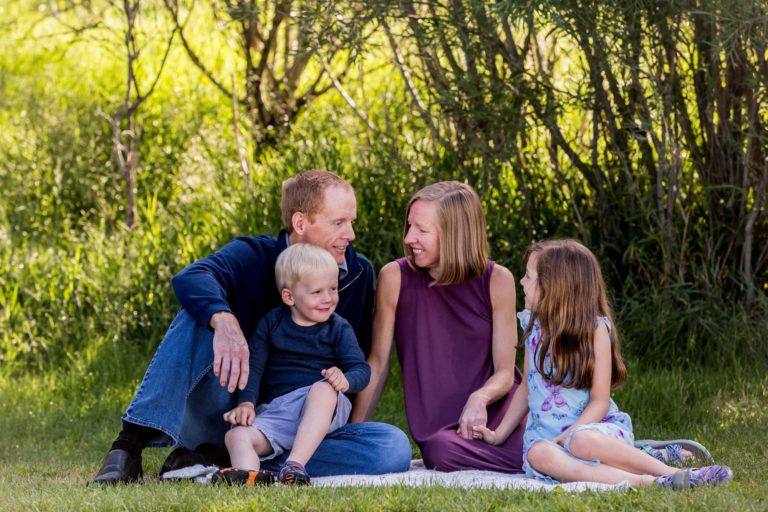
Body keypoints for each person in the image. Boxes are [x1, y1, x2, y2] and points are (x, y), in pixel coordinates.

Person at [92, 170, 411, 484]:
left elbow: (357, 360)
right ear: (300, 223)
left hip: (311, 417)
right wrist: (224, 320)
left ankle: (241, 463)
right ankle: (129, 446)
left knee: (392, 447)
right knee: (199, 314)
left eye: (351, 222)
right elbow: (192, 277)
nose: (351, 234)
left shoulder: (357, 274)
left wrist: (343, 422)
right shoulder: (254, 256)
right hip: (237, 413)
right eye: (338, 223)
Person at [472, 239, 733, 489]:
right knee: (539, 455)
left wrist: (571, 433)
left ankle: (674, 473)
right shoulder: (533, 327)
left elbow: (600, 400)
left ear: (555, 286)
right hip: (550, 444)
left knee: (581, 442)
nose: (521, 281)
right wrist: (498, 434)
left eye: (528, 276)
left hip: (592, 431)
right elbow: (526, 390)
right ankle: (653, 481)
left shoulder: (596, 330)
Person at [352, 181, 526, 472]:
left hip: (501, 416)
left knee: (534, 445)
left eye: (422, 230)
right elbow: (379, 365)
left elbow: (506, 373)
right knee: (440, 452)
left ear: (455, 234)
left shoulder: (498, 280)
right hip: (445, 436)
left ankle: (541, 455)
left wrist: (479, 397)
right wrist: (352, 434)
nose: (409, 238)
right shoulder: (394, 278)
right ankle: (538, 461)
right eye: (409, 226)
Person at [213, 244, 370, 486]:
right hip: (278, 413)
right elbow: (254, 368)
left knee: (323, 389)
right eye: (317, 292)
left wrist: (345, 380)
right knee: (236, 435)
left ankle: (294, 466)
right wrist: (246, 403)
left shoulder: (338, 328)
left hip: (321, 408)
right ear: (289, 296)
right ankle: (250, 477)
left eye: (333, 289)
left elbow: (361, 370)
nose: (328, 298)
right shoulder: (271, 324)